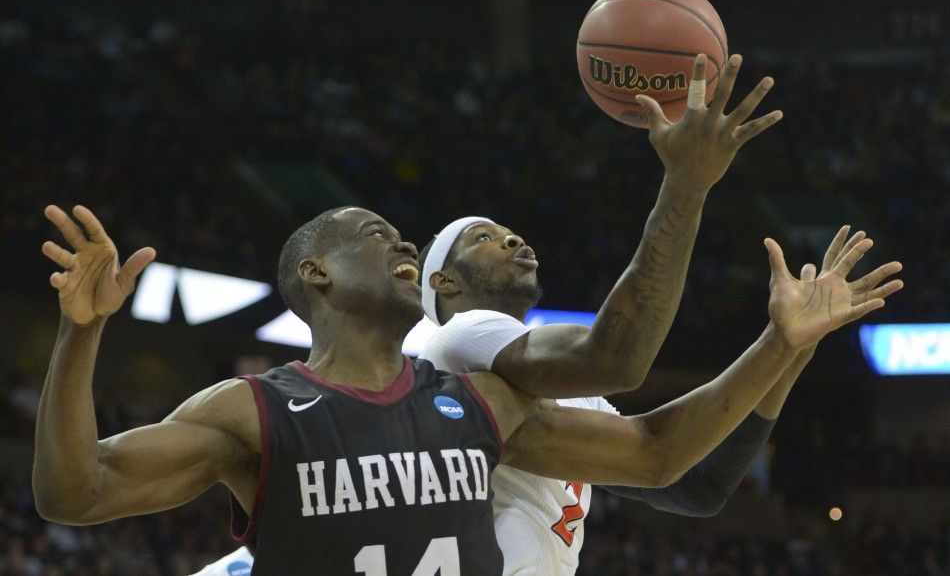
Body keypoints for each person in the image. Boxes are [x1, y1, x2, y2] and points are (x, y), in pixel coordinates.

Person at [34, 204, 894, 575]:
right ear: (317, 273)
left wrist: (785, 345)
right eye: (380, 235)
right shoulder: (265, 406)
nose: (399, 243)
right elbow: (75, 490)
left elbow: (674, 462)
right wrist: (81, 332)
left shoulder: (477, 402)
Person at [419, 219, 902, 573]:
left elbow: (696, 486)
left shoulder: (568, 399)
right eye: (482, 238)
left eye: (508, 231)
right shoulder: (448, 336)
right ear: (444, 282)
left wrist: (790, 348)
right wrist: (687, 184)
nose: (512, 238)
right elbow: (613, 360)